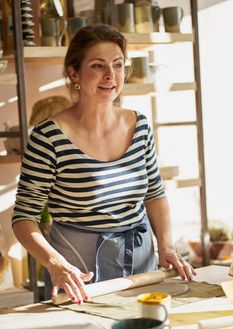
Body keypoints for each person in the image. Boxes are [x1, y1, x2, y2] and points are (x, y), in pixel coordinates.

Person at [12, 24, 196, 303]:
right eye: (98, 66)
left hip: (141, 264)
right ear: (74, 73)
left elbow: (155, 194)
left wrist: (166, 246)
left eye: (118, 65)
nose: (111, 75)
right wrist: (55, 264)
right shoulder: (48, 136)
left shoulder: (139, 125)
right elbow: (24, 217)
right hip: (79, 272)